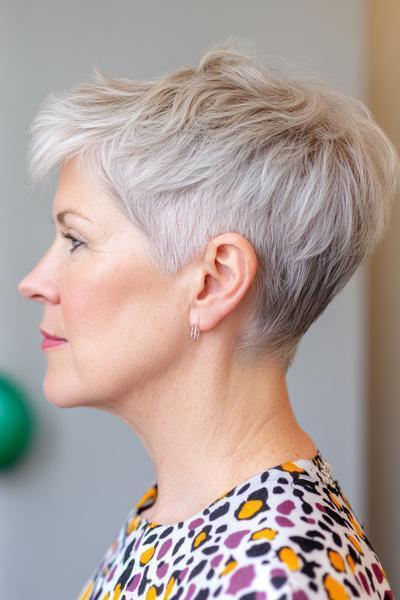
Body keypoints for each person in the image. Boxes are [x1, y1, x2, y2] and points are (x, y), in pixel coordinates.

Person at [18, 45, 399, 599]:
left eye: (76, 239)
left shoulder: (278, 577)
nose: (34, 281)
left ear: (214, 281)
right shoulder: (180, 512)